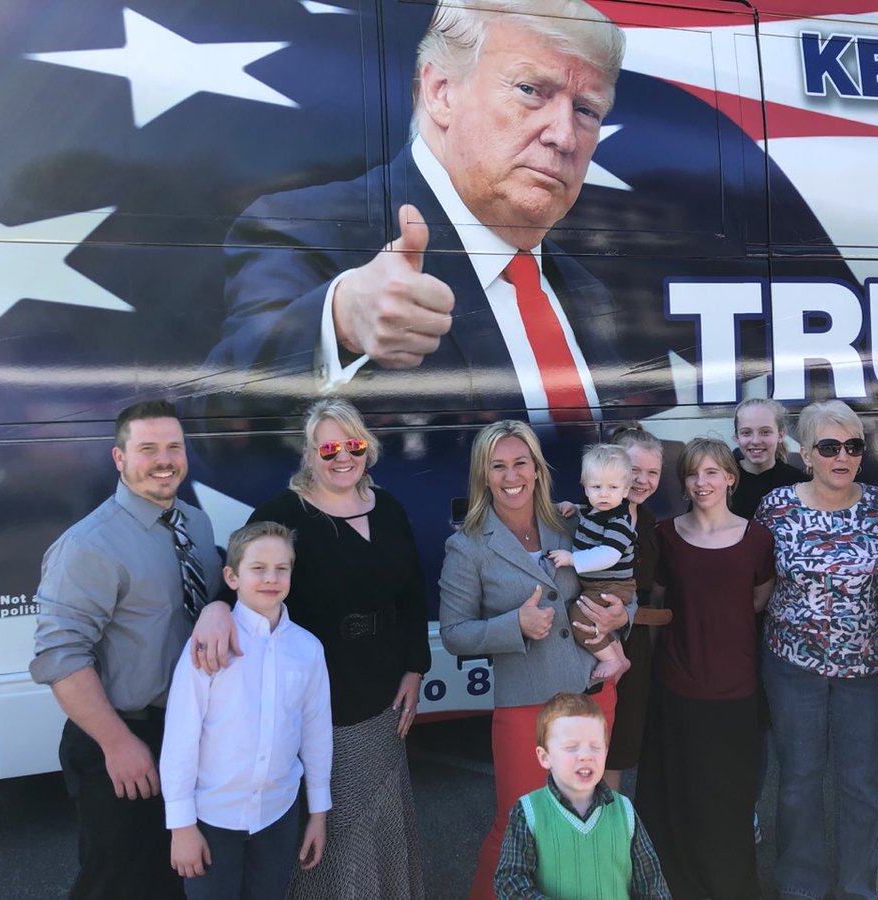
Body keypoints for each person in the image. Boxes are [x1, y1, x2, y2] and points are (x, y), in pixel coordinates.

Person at [204, 0, 630, 422]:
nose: (564, 137)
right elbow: (215, 407)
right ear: (441, 92)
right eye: (530, 90)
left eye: (586, 110)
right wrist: (339, 321)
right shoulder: (306, 228)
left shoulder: (587, 291)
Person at [192, 398, 431, 899]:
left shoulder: (387, 507)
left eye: (353, 445)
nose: (343, 457)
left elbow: (412, 592)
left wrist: (415, 667)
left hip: (385, 687)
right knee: (335, 820)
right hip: (321, 692)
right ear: (308, 454)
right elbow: (243, 576)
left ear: (367, 448)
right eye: (328, 449)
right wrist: (214, 609)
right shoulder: (283, 514)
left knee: (380, 809)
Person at [29, 400, 222, 900]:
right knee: (117, 883)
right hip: (122, 737)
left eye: (174, 447)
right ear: (119, 458)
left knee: (174, 881)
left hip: (184, 735)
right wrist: (118, 745)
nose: (164, 460)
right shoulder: (88, 545)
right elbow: (61, 658)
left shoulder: (196, 526)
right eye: (148, 448)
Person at [439, 420, 635, 900]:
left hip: (590, 694)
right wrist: (514, 625)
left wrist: (621, 617)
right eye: (498, 466)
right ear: (483, 475)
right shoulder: (467, 545)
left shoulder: (571, 523)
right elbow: (453, 634)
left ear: (537, 469)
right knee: (517, 825)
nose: (511, 476)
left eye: (520, 463)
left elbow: (615, 585)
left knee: (581, 820)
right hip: (526, 703)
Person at [753, 401, 878, 900]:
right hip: (792, 664)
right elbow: (754, 578)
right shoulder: (776, 507)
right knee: (799, 779)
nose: (842, 457)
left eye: (853, 447)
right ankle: (800, 885)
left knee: (861, 783)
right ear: (806, 454)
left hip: (865, 669)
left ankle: (858, 888)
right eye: (829, 447)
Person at [160, 522, 333, 900]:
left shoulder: (307, 649)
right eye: (258, 568)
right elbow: (180, 738)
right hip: (212, 819)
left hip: (277, 816)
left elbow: (316, 733)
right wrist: (181, 826)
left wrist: (318, 813)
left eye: (282, 568)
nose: (271, 578)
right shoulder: (208, 646)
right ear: (232, 577)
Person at [635, 437, 774, 900]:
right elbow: (658, 604)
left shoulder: (758, 539)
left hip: (735, 689)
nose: (701, 482)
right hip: (677, 685)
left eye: (712, 472)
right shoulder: (666, 537)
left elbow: (757, 600)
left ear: (730, 478)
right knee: (678, 795)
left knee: (728, 799)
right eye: (692, 474)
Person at [494, 692, 671, 900]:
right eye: (571, 747)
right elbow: (509, 881)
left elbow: (652, 885)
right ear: (544, 757)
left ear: (606, 751)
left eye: (595, 747)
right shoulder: (529, 812)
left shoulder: (625, 812)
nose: (586, 755)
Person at [728, 397, 805, 843]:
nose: (755, 441)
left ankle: (752, 811)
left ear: (781, 435)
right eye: (746, 432)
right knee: (735, 720)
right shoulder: (722, 481)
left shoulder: (798, 484)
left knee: (766, 723)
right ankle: (733, 807)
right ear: (736, 436)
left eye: (764, 432)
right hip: (729, 619)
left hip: (781, 623)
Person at [603, 425, 668, 793]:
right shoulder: (588, 514)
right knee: (587, 736)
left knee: (621, 741)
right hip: (594, 639)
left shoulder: (646, 519)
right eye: (634, 470)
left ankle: (607, 819)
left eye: (652, 472)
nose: (642, 480)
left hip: (635, 642)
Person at [548, 443, 636, 681]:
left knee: (579, 617)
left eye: (613, 487)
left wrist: (572, 559)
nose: (604, 494)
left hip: (613, 586)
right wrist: (571, 507)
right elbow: (584, 511)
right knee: (594, 617)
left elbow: (608, 555)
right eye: (596, 487)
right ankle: (620, 657)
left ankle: (609, 659)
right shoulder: (594, 510)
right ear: (585, 488)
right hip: (599, 585)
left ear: (626, 490)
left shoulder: (618, 522)